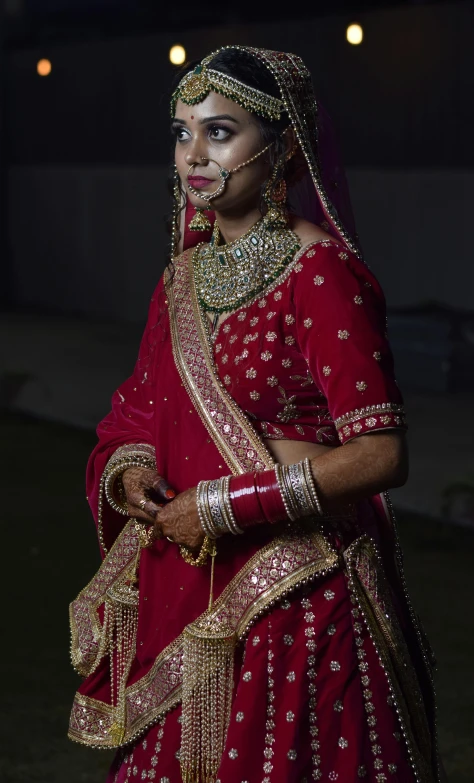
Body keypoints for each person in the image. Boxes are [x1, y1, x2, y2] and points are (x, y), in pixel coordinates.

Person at [68, 46, 442, 783]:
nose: (194, 155)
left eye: (220, 131)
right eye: (181, 133)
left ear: (283, 150)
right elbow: (137, 409)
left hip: (298, 595)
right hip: (191, 586)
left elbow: (380, 454)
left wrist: (221, 504)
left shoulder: (321, 272)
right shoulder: (180, 278)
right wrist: (132, 468)